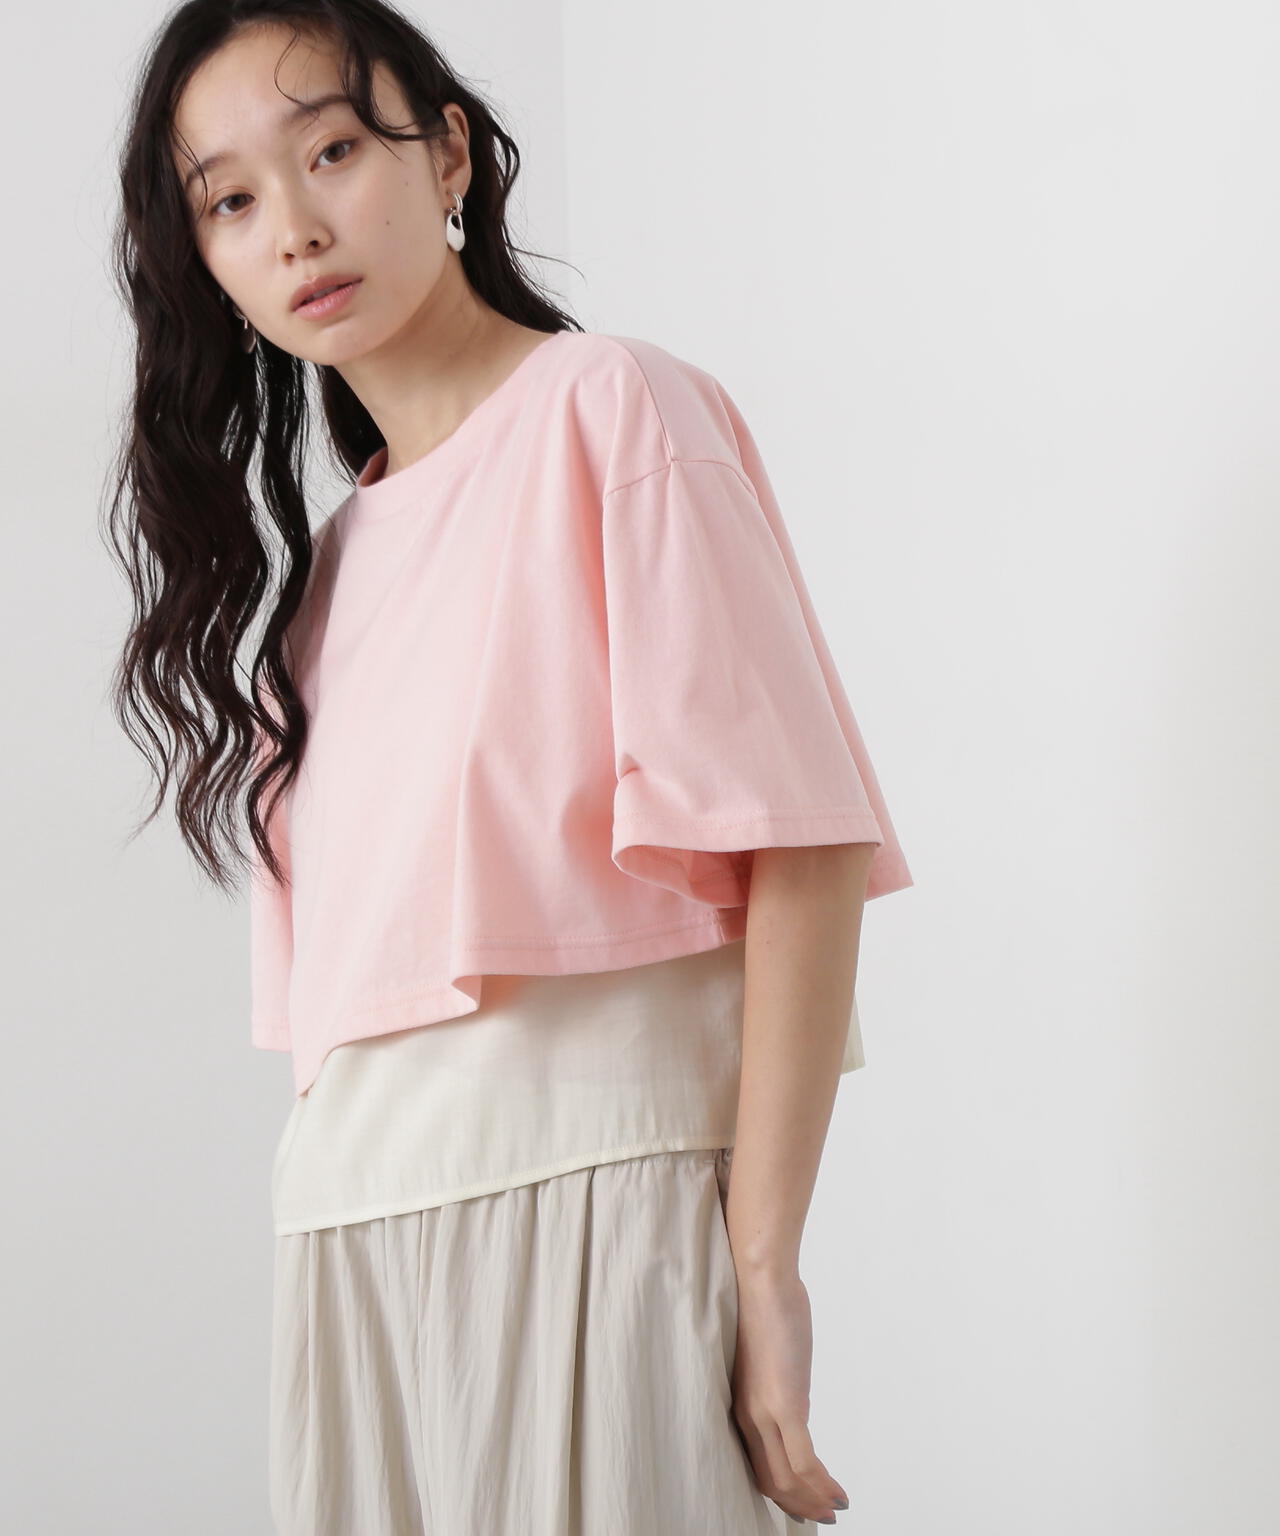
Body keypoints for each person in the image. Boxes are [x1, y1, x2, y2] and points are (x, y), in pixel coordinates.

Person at [105, 2, 914, 1532]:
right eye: (230, 200)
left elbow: (800, 843)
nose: (294, 229)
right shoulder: (324, 581)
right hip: (348, 1240)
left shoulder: (614, 408)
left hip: (602, 1206)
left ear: (450, 154)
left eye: (331, 151)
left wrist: (762, 1265)